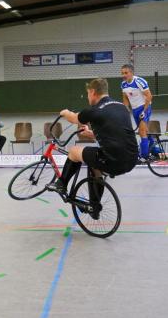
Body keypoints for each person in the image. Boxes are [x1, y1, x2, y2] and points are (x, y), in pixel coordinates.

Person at [47, 78, 138, 211]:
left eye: (88, 93)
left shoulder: (94, 110)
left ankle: (61, 184)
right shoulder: (121, 107)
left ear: (93, 92)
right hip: (132, 160)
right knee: (94, 165)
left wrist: (65, 112)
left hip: (114, 161)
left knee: (74, 151)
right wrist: (92, 134)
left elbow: (73, 118)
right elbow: (116, 134)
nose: (88, 97)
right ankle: (94, 206)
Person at [121, 64, 156, 161]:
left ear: (131, 73)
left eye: (126, 73)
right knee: (145, 131)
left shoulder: (139, 81)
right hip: (135, 110)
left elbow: (149, 96)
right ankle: (155, 150)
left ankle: (144, 156)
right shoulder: (123, 84)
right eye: (122, 73)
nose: (124, 75)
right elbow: (125, 98)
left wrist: (144, 111)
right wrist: (125, 109)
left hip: (145, 107)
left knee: (142, 132)